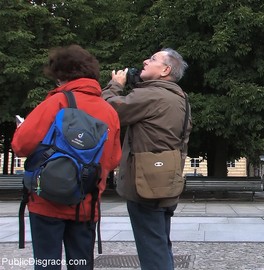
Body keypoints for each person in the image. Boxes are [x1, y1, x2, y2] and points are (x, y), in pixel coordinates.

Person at [12, 45, 122, 270]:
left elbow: (20, 145)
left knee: (47, 262)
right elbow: (113, 159)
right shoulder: (109, 111)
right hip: (86, 202)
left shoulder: (56, 102)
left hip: (47, 199)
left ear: (61, 75)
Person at [102, 48, 191, 270]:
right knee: (160, 244)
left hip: (146, 182)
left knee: (152, 250)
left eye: (152, 59)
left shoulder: (151, 95)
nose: (145, 61)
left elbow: (108, 110)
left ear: (165, 70)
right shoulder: (179, 97)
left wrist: (115, 85)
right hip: (166, 180)